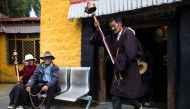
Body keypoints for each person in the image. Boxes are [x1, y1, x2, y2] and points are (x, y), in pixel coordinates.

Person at [90, 17, 144, 109]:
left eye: (114, 26)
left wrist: (118, 60)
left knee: (131, 95)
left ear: (120, 24)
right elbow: (101, 40)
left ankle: (138, 106)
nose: (112, 29)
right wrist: (97, 29)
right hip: (118, 70)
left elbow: (131, 52)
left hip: (129, 69)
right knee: (115, 94)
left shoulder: (128, 33)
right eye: (110, 27)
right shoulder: (113, 37)